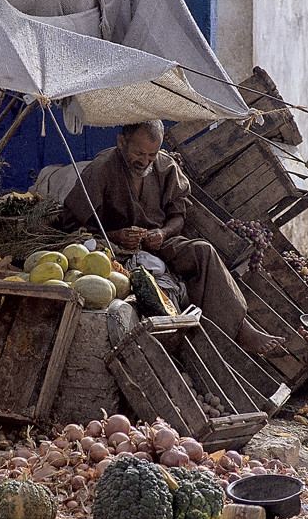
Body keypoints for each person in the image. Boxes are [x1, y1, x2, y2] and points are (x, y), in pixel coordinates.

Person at [61, 119, 284, 354]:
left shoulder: (165, 166)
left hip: (160, 242)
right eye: (138, 153)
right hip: (113, 248)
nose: (144, 161)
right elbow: (71, 223)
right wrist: (116, 235)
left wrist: (163, 232)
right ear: (121, 142)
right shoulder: (101, 169)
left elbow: (179, 215)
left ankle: (238, 329)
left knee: (203, 251)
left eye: (151, 154)